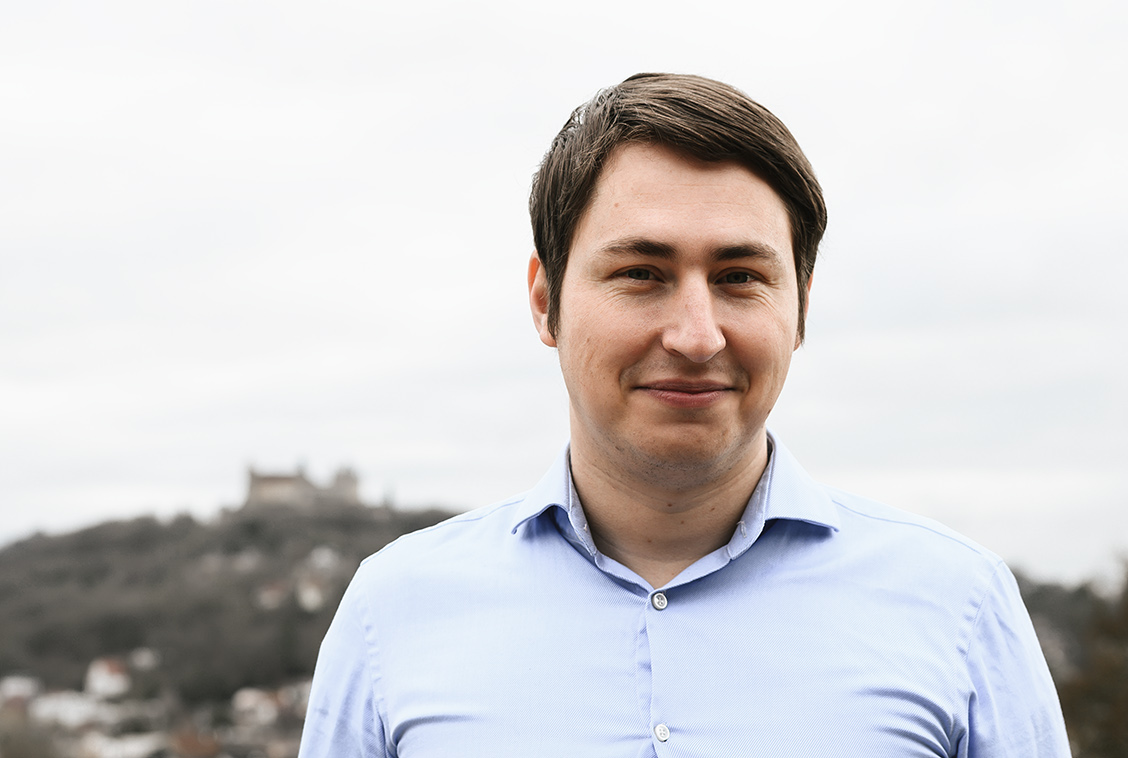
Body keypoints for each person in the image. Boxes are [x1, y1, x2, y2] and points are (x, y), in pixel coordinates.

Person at [298, 73, 1070, 757]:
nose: (697, 335)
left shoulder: (960, 607)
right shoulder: (391, 615)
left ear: (800, 309)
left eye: (739, 275)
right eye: (641, 273)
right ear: (545, 302)